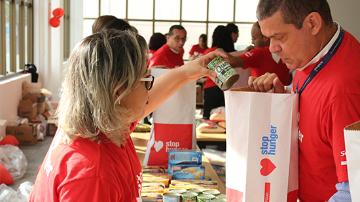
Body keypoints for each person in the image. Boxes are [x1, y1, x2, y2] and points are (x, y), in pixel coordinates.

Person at [29, 29, 221, 202]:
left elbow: (151, 98)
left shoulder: (107, 127)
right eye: (146, 79)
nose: (150, 87)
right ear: (118, 91)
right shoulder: (94, 175)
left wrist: (188, 72)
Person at [222, 0, 360, 201]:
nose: (272, 49)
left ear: (312, 23)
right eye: (268, 38)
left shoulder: (344, 88)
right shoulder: (315, 53)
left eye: (279, 37)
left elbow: (353, 191)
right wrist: (283, 100)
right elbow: (317, 106)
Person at [202, 25, 235, 119]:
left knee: (208, 119)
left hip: (211, 88)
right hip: (227, 87)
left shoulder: (209, 52)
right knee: (225, 118)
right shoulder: (231, 54)